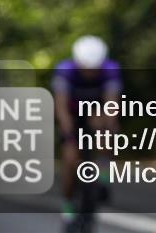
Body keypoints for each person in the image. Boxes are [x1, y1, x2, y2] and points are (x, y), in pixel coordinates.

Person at [51, 36, 122, 226]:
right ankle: (67, 204)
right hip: (73, 117)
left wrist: (108, 126)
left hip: (96, 113)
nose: (90, 73)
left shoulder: (110, 70)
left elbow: (111, 105)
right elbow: (61, 108)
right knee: (70, 159)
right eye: (86, 69)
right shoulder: (65, 71)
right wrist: (69, 137)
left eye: (94, 69)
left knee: (108, 133)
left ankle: (103, 176)